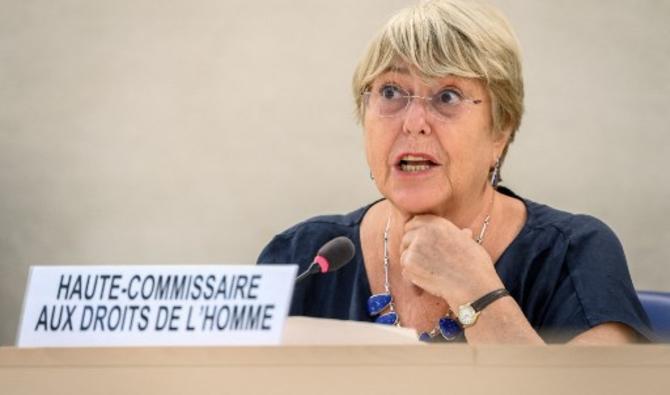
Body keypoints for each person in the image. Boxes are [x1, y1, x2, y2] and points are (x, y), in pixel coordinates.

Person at [257, 0, 652, 344]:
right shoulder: (300, 259)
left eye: (447, 96)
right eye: (391, 92)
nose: (413, 122)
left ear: (501, 129)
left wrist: (474, 290)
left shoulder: (575, 254)